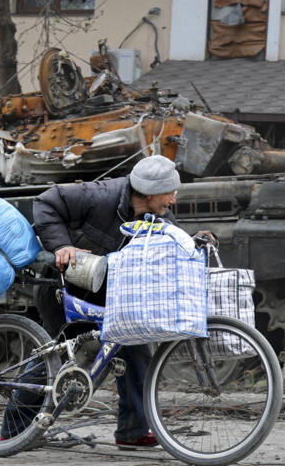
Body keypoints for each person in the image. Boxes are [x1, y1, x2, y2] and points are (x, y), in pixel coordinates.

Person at [14, 154, 213, 448]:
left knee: (136, 352)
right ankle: (13, 430)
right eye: (170, 191)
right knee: (52, 357)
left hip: (114, 297)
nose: (174, 198)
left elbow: (174, 239)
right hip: (67, 290)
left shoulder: (160, 216)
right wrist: (63, 245)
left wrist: (195, 239)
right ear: (148, 192)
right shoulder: (100, 196)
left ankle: (133, 432)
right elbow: (46, 202)